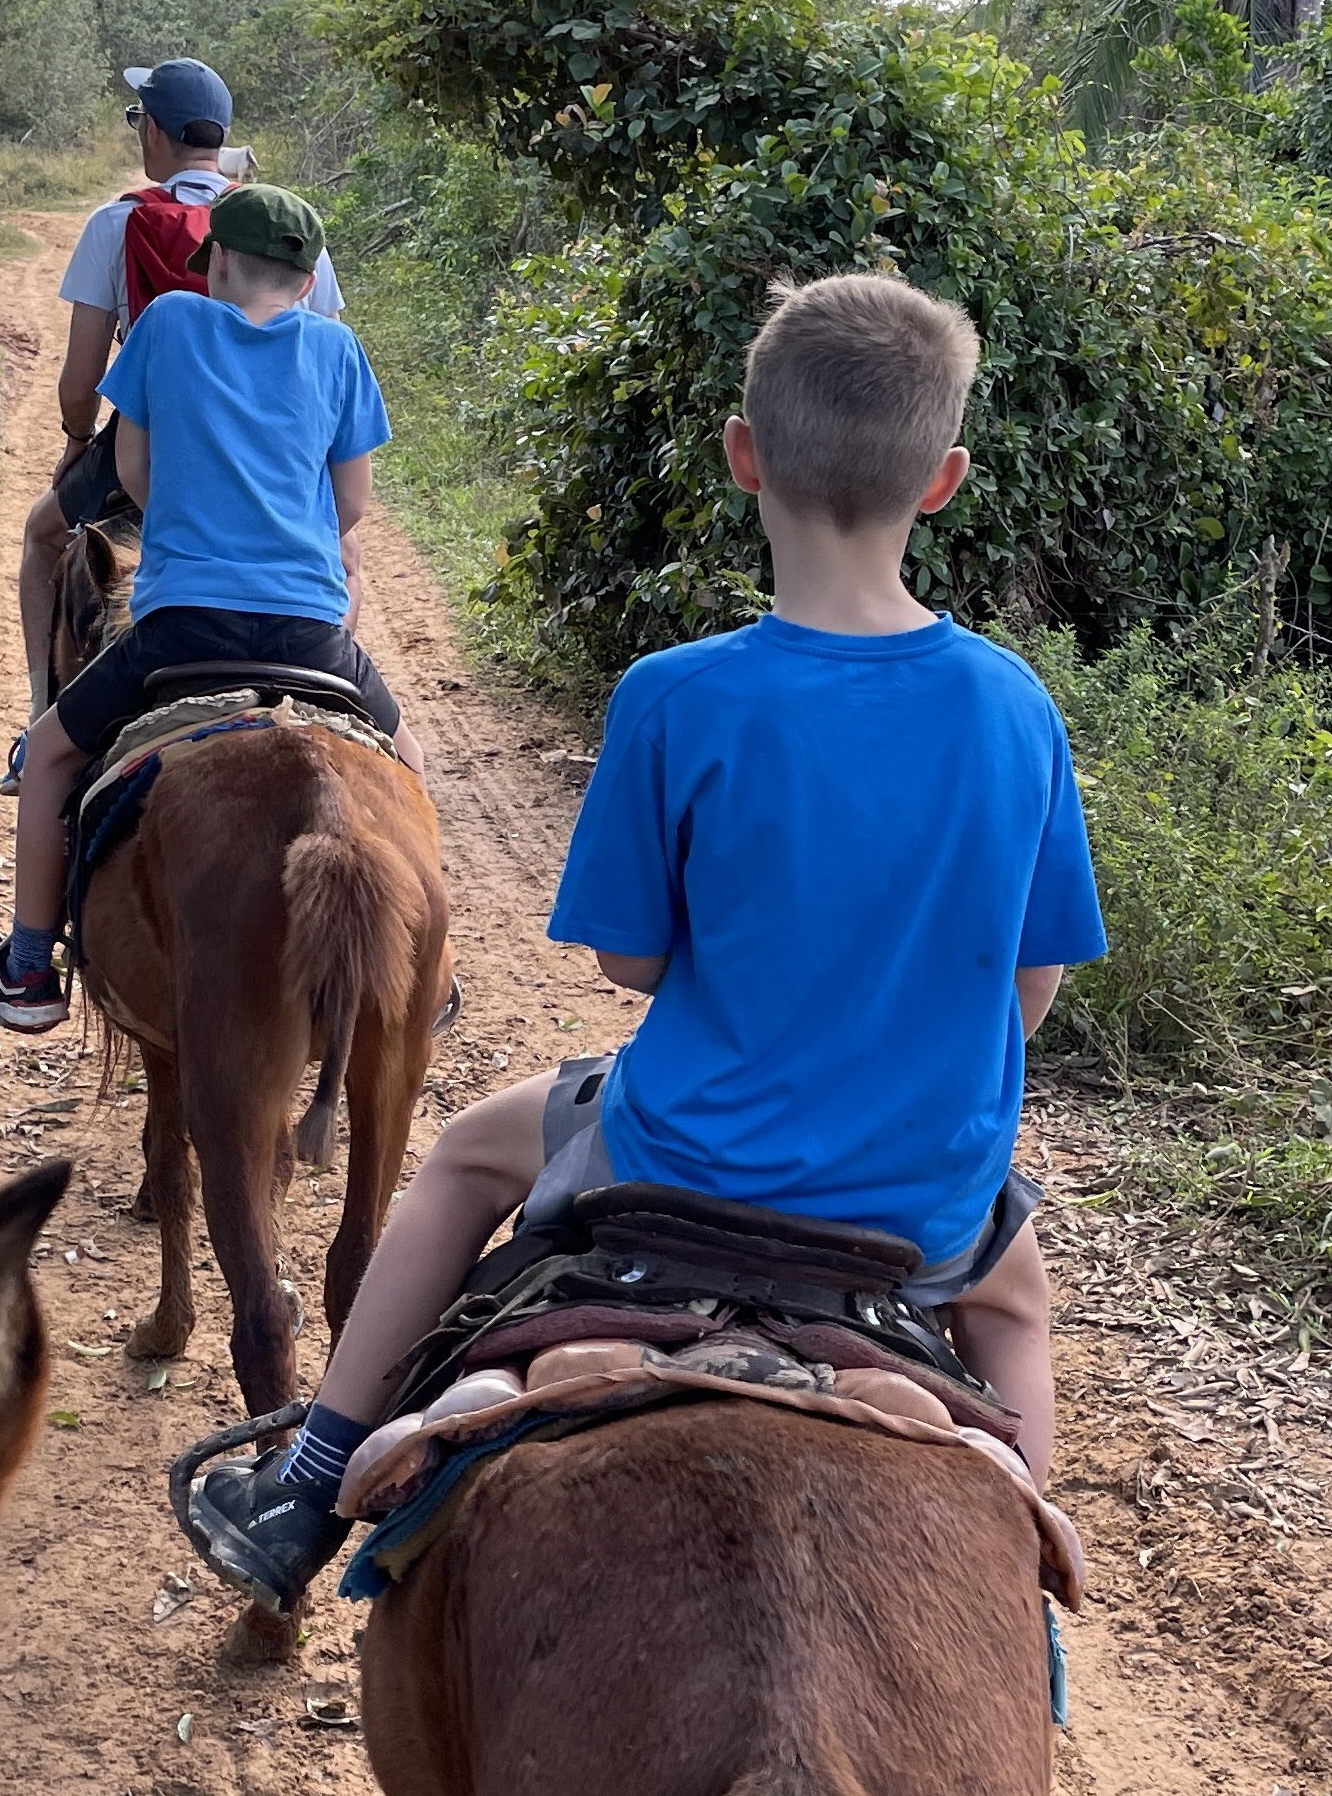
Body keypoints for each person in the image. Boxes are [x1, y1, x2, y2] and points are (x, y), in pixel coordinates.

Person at [183, 270, 1110, 1612]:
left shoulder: (676, 695)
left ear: (745, 455)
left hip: (684, 1153)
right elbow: (1032, 986)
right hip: (921, 1200)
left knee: (457, 1161)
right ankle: (1027, 1577)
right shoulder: (1017, 708)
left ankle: (310, 1480)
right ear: (945, 478)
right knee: (1016, 1300)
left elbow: (633, 965)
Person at [0, 183, 417, 1034]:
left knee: (51, 754)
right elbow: (352, 503)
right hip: (311, 634)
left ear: (216, 263)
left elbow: (133, 473)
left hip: (182, 627)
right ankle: (428, 972)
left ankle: (31, 963)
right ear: (308, 278)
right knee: (404, 761)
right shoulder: (338, 348)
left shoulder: (168, 325)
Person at [5, 58, 347, 794]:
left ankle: (41, 712)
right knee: (341, 561)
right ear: (221, 141)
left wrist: (73, 445)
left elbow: (80, 385)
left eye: (139, 124)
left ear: (153, 132)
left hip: (152, 445)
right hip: (285, 492)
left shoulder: (119, 221)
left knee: (41, 537)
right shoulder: (292, 228)